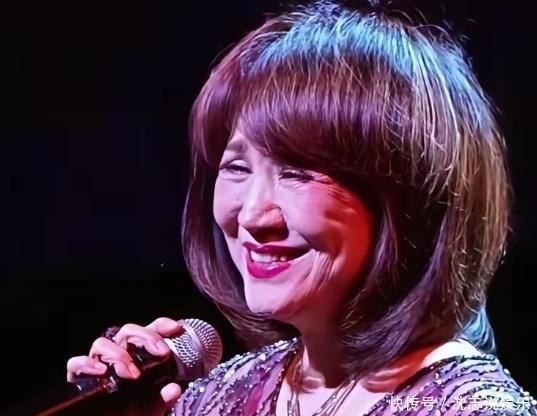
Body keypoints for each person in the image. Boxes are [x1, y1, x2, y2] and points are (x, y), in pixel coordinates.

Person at [67, 0, 537, 415]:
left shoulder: (467, 408)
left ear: (410, 197)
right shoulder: (222, 396)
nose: (252, 215)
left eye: (297, 172)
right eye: (237, 167)